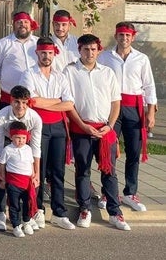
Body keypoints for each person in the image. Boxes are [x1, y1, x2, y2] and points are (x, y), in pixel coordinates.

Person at [63, 34, 131, 231]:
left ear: (99, 50)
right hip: (82, 129)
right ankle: (85, 209)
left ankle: (115, 212)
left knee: (109, 172)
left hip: (105, 129)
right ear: (79, 50)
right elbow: (68, 104)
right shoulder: (70, 71)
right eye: (86, 49)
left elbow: (115, 102)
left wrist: (110, 126)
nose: (90, 53)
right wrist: (83, 126)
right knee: (83, 170)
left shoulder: (107, 73)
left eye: (93, 49)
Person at [98, 22, 156, 212]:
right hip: (112, 107)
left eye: (127, 36)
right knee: (108, 150)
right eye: (121, 35)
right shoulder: (106, 56)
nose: (124, 39)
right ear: (116, 36)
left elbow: (149, 86)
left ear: (133, 37)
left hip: (134, 108)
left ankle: (130, 192)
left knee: (133, 151)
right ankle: (108, 192)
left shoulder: (142, 59)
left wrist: (151, 112)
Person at [19, 37, 75, 230]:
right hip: (38, 127)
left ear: (54, 54)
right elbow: (32, 102)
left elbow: (69, 104)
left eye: (50, 53)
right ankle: (38, 210)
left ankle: (59, 212)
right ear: (37, 53)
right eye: (43, 53)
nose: (47, 56)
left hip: (58, 127)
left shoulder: (61, 76)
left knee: (58, 171)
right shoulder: (28, 74)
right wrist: (56, 100)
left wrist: (46, 101)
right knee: (38, 171)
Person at [0, 85, 42, 232]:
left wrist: (36, 172)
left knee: (32, 179)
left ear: (28, 103)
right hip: (7, 141)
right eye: (17, 102)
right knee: (1, 179)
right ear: (11, 101)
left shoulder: (35, 118)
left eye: (24, 103)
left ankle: (29, 215)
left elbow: (36, 148)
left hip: (26, 144)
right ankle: (0, 213)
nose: (20, 106)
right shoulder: (2, 116)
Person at [0, 12, 39, 109]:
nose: (22, 24)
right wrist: (6, 80)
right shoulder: (2, 44)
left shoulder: (38, 43)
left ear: (30, 24)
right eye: (19, 22)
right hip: (9, 98)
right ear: (13, 25)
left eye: (25, 22)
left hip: (36, 98)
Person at [0, 121, 38, 238]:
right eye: (17, 138)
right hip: (13, 183)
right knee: (14, 205)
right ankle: (16, 225)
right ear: (11, 137)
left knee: (28, 204)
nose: (21, 141)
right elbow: (2, 164)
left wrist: (33, 175)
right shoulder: (8, 150)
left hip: (27, 183)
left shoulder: (28, 149)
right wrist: (3, 178)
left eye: (23, 138)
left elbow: (31, 163)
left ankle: (26, 221)